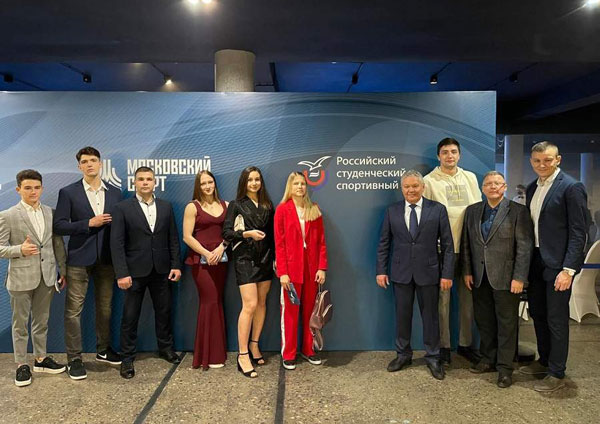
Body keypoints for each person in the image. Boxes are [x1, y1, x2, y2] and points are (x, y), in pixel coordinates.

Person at [519, 141, 588, 392]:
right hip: (536, 262)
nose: (542, 165)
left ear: (558, 159)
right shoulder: (531, 187)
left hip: (559, 266)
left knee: (556, 319)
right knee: (538, 315)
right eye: (537, 161)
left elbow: (579, 232)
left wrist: (569, 270)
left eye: (547, 160)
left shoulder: (571, 187)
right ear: (531, 162)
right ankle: (545, 361)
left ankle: (557, 373)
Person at [376, 170, 454, 380]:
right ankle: (403, 355)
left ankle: (433, 357)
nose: (411, 190)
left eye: (415, 186)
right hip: (400, 273)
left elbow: (448, 245)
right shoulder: (392, 211)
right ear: (402, 189)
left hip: (429, 273)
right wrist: (381, 270)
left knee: (431, 318)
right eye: (407, 187)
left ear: (423, 187)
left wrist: (447, 274)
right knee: (402, 316)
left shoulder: (437, 209)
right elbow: (384, 243)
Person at [53, 146, 123, 380]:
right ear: (79, 166)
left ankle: (103, 350)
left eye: (93, 160)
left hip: (107, 260)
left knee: (105, 308)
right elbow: (59, 225)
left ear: (100, 163)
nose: (89, 164)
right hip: (78, 260)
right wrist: (88, 223)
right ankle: (74, 358)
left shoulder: (115, 192)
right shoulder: (68, 192)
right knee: (73, 311)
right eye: (85, 161)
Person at [461, 171, 534, 388]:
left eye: (497, 183)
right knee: (484, 322)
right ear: (482, 188)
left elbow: (524, 247)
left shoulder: (518, 211)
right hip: (479, 277)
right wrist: (467, 271)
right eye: (488, 184)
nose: (493, 187)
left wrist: (519, 277)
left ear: (505, 187)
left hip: (507, 278)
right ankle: (488, 359)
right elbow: (466, 243)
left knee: (507, 324)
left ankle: (505, 368)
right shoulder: (472, 211)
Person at [110, 167, 182, 379]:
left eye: (149, 179)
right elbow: (117, 243)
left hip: (162, 270)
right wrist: (121, 273)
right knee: (130, 316)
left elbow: (173, 238)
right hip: (133, 272)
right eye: (141, 179)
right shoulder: (122, 208)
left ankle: (165, 349)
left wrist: (176, 265)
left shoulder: (166, 206)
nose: (145, 182)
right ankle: (127, 357)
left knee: (164, 311)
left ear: (154, 182)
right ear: (134, 182)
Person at [0, 170, 68, 387]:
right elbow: (0, 248)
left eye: (37, 187)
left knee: (41, 321)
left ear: (42, 189)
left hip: (47, 277)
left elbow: (57, 244)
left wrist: (63, 270)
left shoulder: (51, 213)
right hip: (20, 278)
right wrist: (19, 249)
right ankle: (21, 364)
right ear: (18, 189)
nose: (33, 192)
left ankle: (41, 359)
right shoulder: (8, 215)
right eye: (28, 188)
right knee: (20, 324)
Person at [423, 137, 482, 365]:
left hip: (468, 249)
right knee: (442, 301)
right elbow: (426, 217)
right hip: (442, 250)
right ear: (438, 156)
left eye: (454, 152)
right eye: (445, 152)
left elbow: (477, 210)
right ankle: (444, 346)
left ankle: (465, 344)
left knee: (468, 300)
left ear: (459, 155)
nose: (450, 156)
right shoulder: (429, 181)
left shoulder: (470, 178)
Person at [222, 166, 274, 378]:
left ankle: (254, 344)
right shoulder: (236, 204)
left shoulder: (267, 205)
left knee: (261, 303)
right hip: (244, 259)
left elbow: (272, 235)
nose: (254, 183)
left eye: (257, 179)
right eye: (250, 180)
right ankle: (242, 354)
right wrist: (246, 233)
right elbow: (226, 233)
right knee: (250, 305)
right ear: (244, 182)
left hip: (265, 259)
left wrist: (276, 259)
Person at [275, 172, 328, 370]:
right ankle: (289, 353)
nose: (300, 187)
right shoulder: (282, 210)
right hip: (291, 270)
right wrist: (283, 272)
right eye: (296, 183)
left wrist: (322, 267)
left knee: (310, 311)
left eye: (303, 183)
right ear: (290, 187)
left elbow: (321, 241)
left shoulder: (314, 209)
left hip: (311, 269)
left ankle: (309, 349)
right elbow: (279, 243)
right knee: (290, 312)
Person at [182, 170, 229, 370]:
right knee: (209, 301)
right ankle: (208, 355)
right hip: (201, 262)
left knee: (217, 301)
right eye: (203, 183)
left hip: (221, 260)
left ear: (214, 184)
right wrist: (207, 254)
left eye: (210, 182)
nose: (207, 186)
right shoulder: (192, 207)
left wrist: (221, 248)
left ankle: (217, 352)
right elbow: (187, 236)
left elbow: (230, 232)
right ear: (198, 186)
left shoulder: (226, 205)